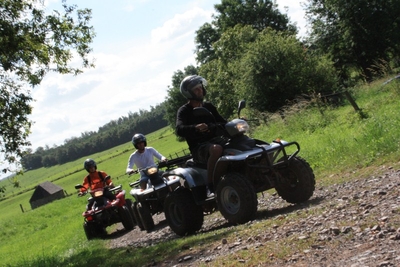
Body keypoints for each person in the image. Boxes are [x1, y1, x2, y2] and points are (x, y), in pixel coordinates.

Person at [175, 75, 227, 197]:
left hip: (217, 139)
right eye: (196, 89)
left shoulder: (208, 106)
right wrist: (195, 128)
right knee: (216, 149)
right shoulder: (184, 111)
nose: (200, 91)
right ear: (189, 93)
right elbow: (179, 129)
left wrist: (236, 122)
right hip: (199, 147)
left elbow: (223, 122)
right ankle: (210, 186)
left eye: (201, 88)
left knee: (241, 142)